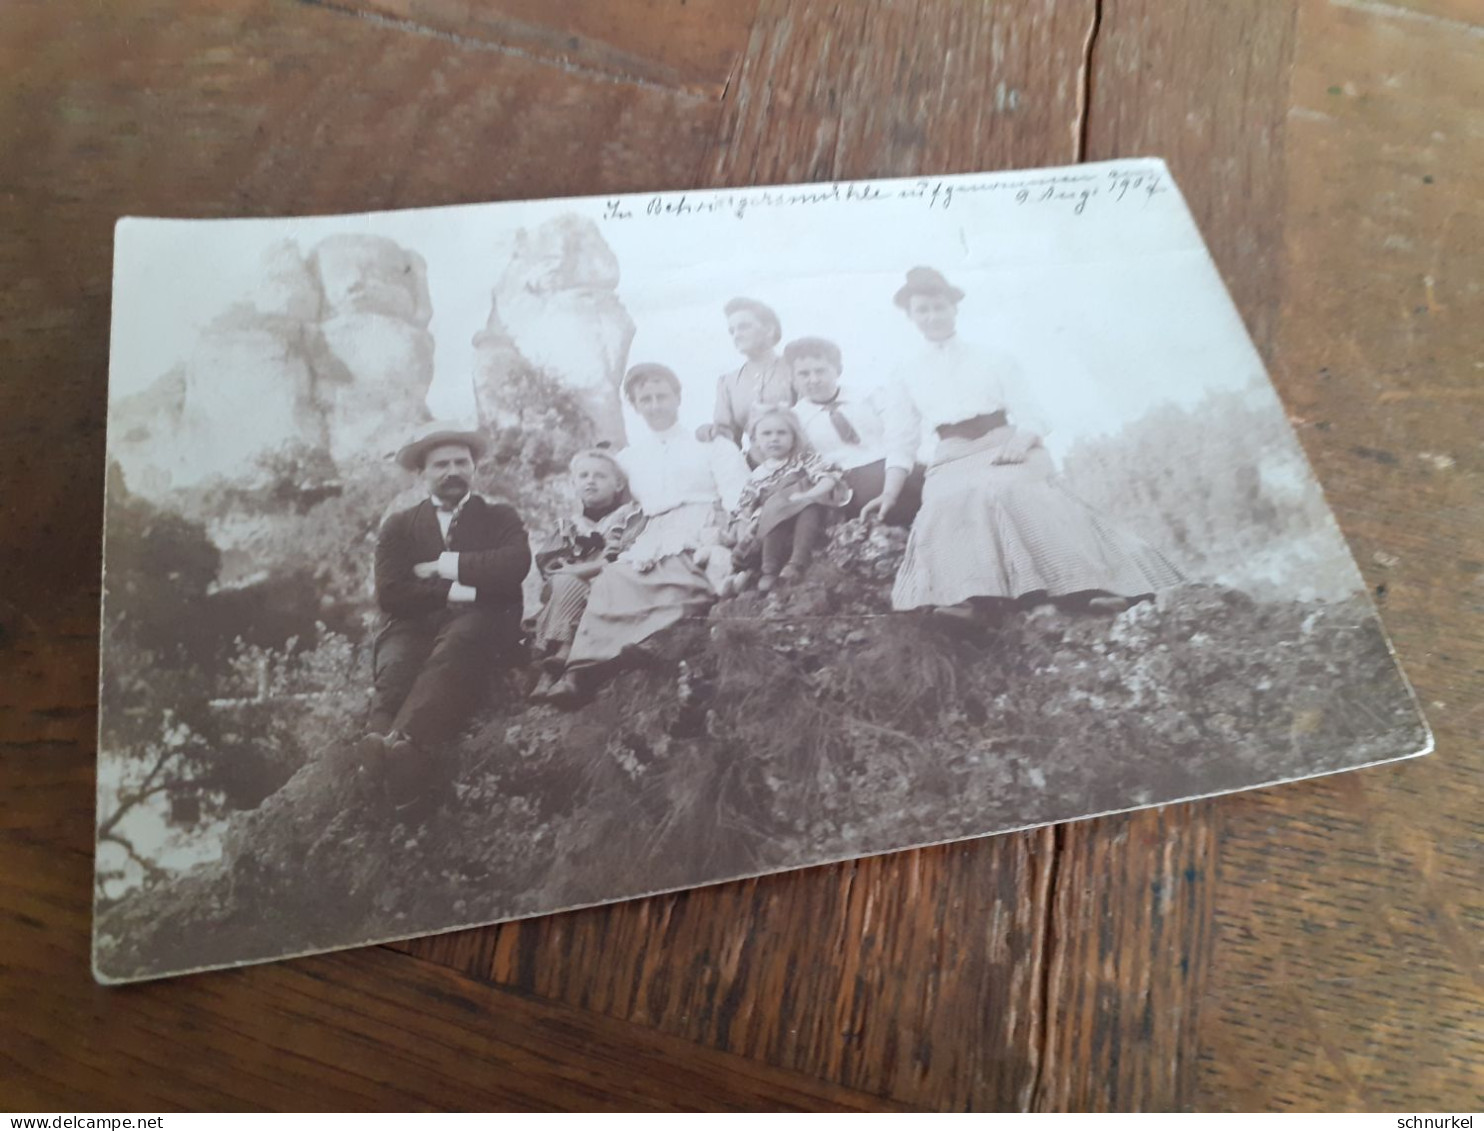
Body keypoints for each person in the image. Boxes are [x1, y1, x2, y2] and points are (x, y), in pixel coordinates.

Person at [865, 266, 1183, 620]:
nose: (932, 316)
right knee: (946, 500)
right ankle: (969, 598)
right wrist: (890, 493)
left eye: (939, 307)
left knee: (1013, 489)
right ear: (910, 316)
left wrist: (1020, 442)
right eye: (922, 310)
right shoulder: (905, 372)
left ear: (954, 308)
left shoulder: (994, 357)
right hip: (952, 455)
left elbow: (1035, 414)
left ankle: (1087, 589)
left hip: (1006, 442)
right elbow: (901, 440)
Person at [543, 363, 749, 705]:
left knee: (678, 574)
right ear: (635, 406)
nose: (655, 405)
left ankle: (627, 651)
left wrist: (734, 528)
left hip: (702, 524)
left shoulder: (710, 444)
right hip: (650, 533)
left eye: (662, 396)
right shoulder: (630, 457)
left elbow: (737, 493)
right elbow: (615, 504)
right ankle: (579, 672)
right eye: (645, 399)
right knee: (613, 579)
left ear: (678, 398)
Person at [362, 423, 531, 811]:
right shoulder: (400, 525)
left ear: (474, 468)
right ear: (423, 473)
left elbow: (513, 567)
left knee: (457, 646)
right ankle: (376, 747)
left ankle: (404, 746)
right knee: (397, 662)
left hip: (483, 620)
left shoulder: (499, 516)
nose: (452, 471)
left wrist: (444, 565)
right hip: (414, 624)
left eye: (461, 462)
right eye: (441, 465)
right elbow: (391, 594)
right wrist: (461, 587)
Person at [528, 448, 646, 698]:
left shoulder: (629, 516)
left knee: (584, 585)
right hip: (567, 589)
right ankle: (557, 669)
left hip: (611, 587)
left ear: (618, 484)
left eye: (600, 476)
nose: (590, 480)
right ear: (574, 484)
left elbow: (622, 558)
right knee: (566, 583)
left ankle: (565, 665)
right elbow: (551, 568)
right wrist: (580, 568)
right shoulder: (568, 525)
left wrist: (585, 568)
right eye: (583, 476)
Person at [785, 335, 920, 523]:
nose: (813, 380)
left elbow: (901, 440)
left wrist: (891, 489)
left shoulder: (870, 396)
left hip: (892, 470)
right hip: (844, 483)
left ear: (838, 370)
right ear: (792, 378)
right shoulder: (794, 420)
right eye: (804, 374)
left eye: (821, 371)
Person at [723, 407, 849, 593]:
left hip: (810, 512)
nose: (774, 438)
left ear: (794, 437)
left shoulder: (803, 459)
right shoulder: (757, 476)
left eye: (781, 433)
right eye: (766, 434)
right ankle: (769, 569)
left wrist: (809, 494)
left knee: (808, 508)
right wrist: (750, 523)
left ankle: (797, 562)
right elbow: (746, 507)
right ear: (755, 440)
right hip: (777, 520)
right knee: (772, 511)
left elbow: (828, 477)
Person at [696, 297, 797, 450]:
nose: (736, 335)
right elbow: (728, 441)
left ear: (769, 330)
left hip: (804, 464)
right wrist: (711, 433)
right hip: (755, 469)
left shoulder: (796, 370)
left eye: (743, 327)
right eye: (732, 331)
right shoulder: (728, 383)